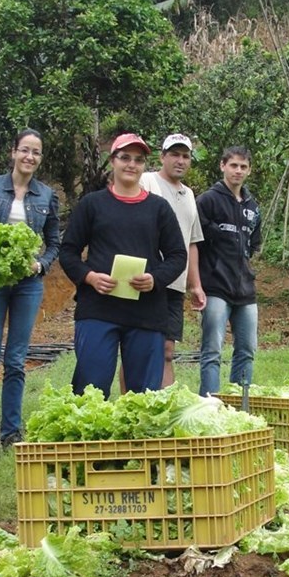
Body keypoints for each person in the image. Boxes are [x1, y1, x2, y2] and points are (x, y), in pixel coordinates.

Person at [59, 133, 187, 398]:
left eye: (138, 160)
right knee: (90, 391)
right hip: (98, 309)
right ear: (112, 161)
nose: (131, 164)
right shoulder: (92, 204)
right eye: (125, 158)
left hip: (146, 313)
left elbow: (177, 256)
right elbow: (69, 252)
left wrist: (154, 279)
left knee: (144, 396)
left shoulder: (159, 208)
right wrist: (90, 277)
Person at [0, 129, 61, 460]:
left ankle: (11, 433)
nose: (29, 157)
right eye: (25, 150)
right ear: (13, 152)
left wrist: (41, 264)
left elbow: (55, 242)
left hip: (27, 286)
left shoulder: (46, 195)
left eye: (36, 152)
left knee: (17, 361)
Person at [119, 133, 206, 390]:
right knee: (135, 347)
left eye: (185, 156)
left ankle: (166, 405)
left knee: (168, 349)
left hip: (174, 283)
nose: (180, 160)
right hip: (144, 280)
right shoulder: (146, 181)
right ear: (162, 156)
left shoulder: (189, 195)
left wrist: (195, 285)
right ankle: (128, 403)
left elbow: (192, 242)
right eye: (174, 154)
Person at [196, 146, 261, 396]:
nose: (238, 171)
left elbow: (254, 244)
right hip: (215, 287)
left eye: (243, 166)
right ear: (223, 166)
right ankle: (209, 405)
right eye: (233, 165)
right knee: (212, 351)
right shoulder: (207, 200)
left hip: (245, 289)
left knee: (247, 350)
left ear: (249, 170)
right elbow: (195, 242)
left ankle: (239, 404)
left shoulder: (252, 206)